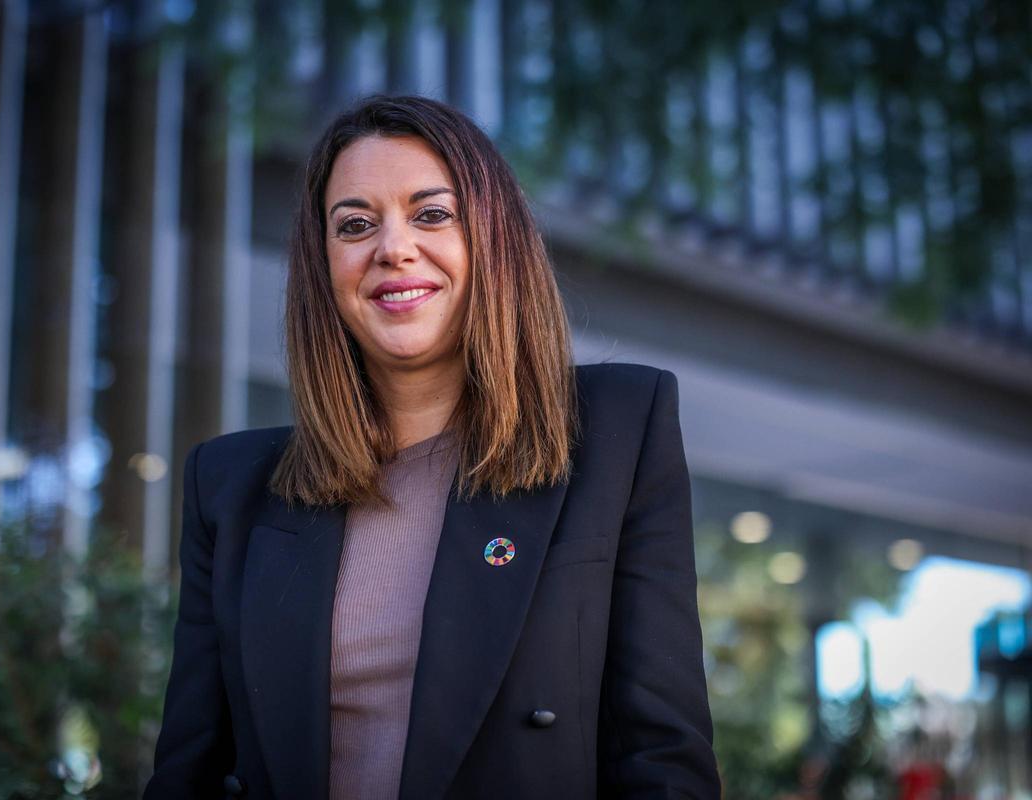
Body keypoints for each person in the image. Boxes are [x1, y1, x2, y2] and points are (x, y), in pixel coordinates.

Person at [144, 94, 720, 800]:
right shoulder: (230, 487)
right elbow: (190, 771)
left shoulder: (618, 430)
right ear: (323, 267)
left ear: (492, 239)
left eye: (431, 214)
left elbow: (663, 758)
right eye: (355, 225)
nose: (393, 248)